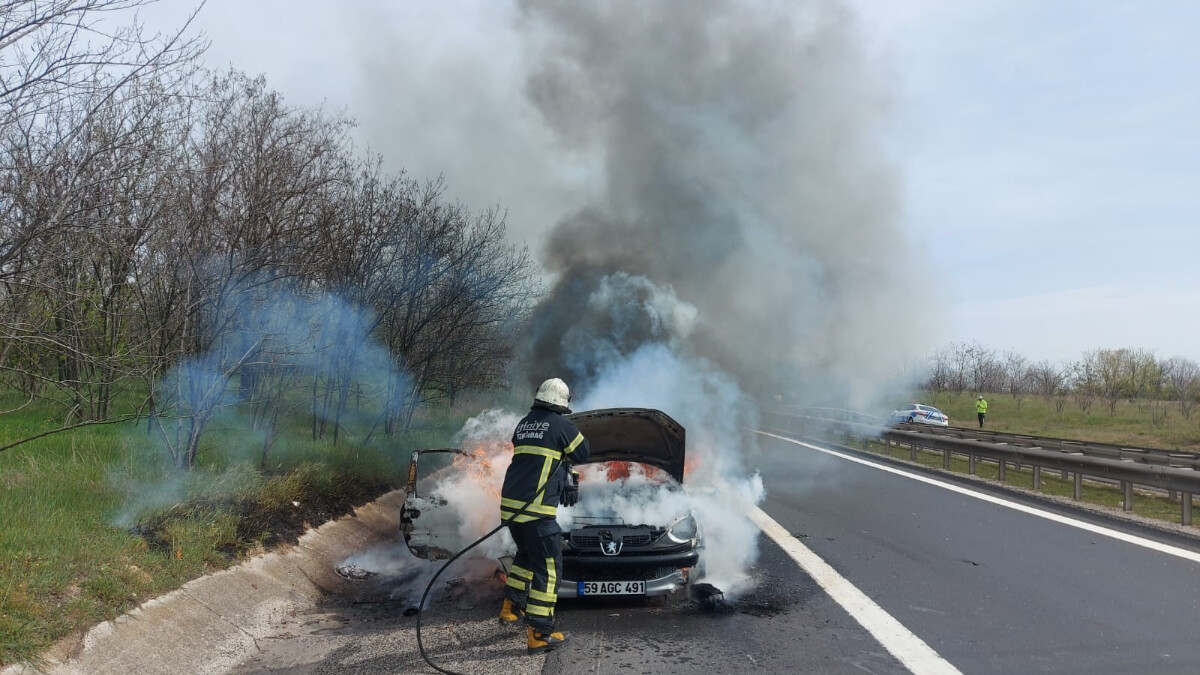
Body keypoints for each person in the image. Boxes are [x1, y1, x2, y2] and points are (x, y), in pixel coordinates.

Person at [498, 377, 590, 654]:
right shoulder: (561, 425)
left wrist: (564, 473)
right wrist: (570, 471)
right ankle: (539, 635)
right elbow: (583, 453)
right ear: (562, 403)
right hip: (536, 512)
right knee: (549, 571)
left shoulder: (524, 424)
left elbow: (540, 459)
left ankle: (509, 608)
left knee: (526, 557)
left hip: (512, 509)